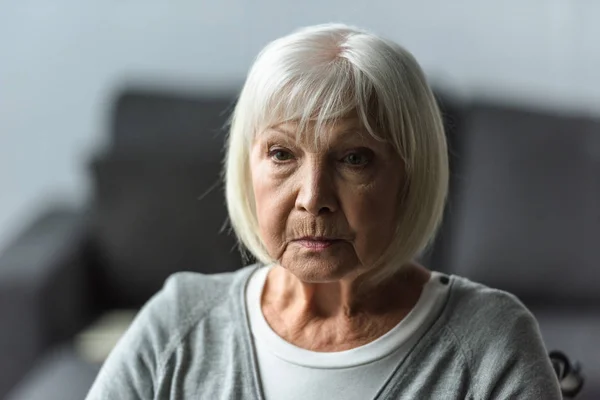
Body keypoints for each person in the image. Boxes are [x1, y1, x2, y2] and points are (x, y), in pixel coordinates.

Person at [86, 23, 562, 399]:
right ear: (246, 165)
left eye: (354, 158)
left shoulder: (490, 346)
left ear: (409, 176)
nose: (313, 197)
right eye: (281, 155)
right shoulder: (178, 323)